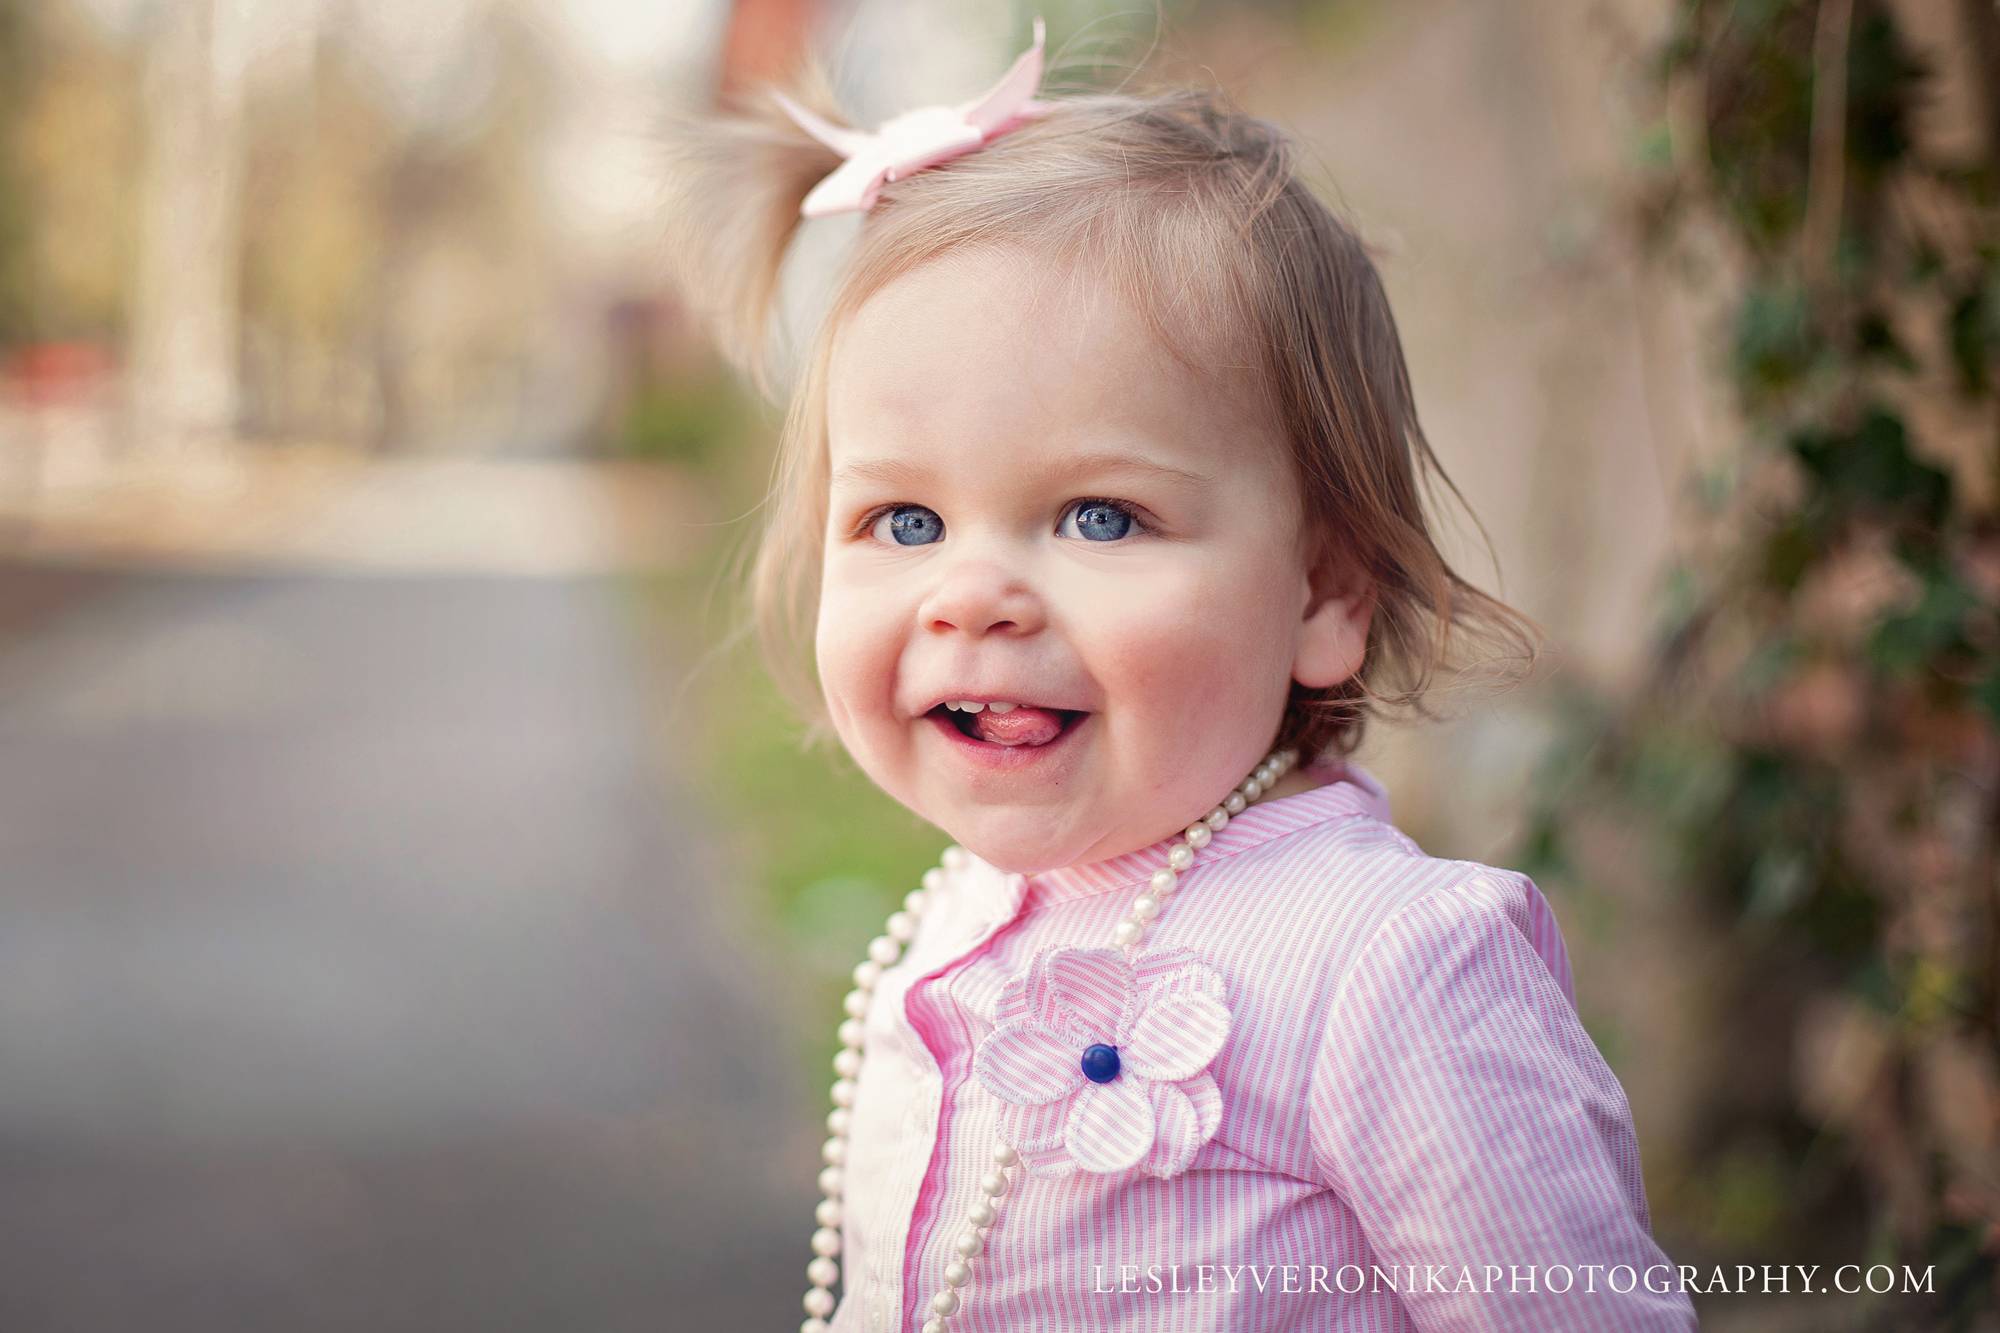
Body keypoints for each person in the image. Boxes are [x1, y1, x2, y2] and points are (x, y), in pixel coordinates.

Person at [658, 16, 1698, 1333]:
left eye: (1099, 515)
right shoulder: (960, 913)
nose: (969, 592)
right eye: (904, 522)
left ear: (1322, 592)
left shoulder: (1386, 969)